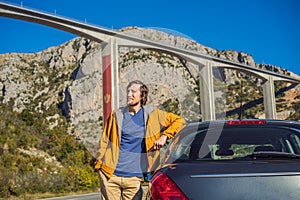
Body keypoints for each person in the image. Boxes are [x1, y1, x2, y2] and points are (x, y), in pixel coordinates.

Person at [94, 80, 186, 200]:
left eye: (133, 91)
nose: (129, 94)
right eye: (128, 91)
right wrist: (99, 164)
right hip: (110, 175)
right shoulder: (116, 115)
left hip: (134, 178)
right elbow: (105, 140)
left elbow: (179, 121)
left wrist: (165, 136)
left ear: (142, 96)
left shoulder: (153, 115)